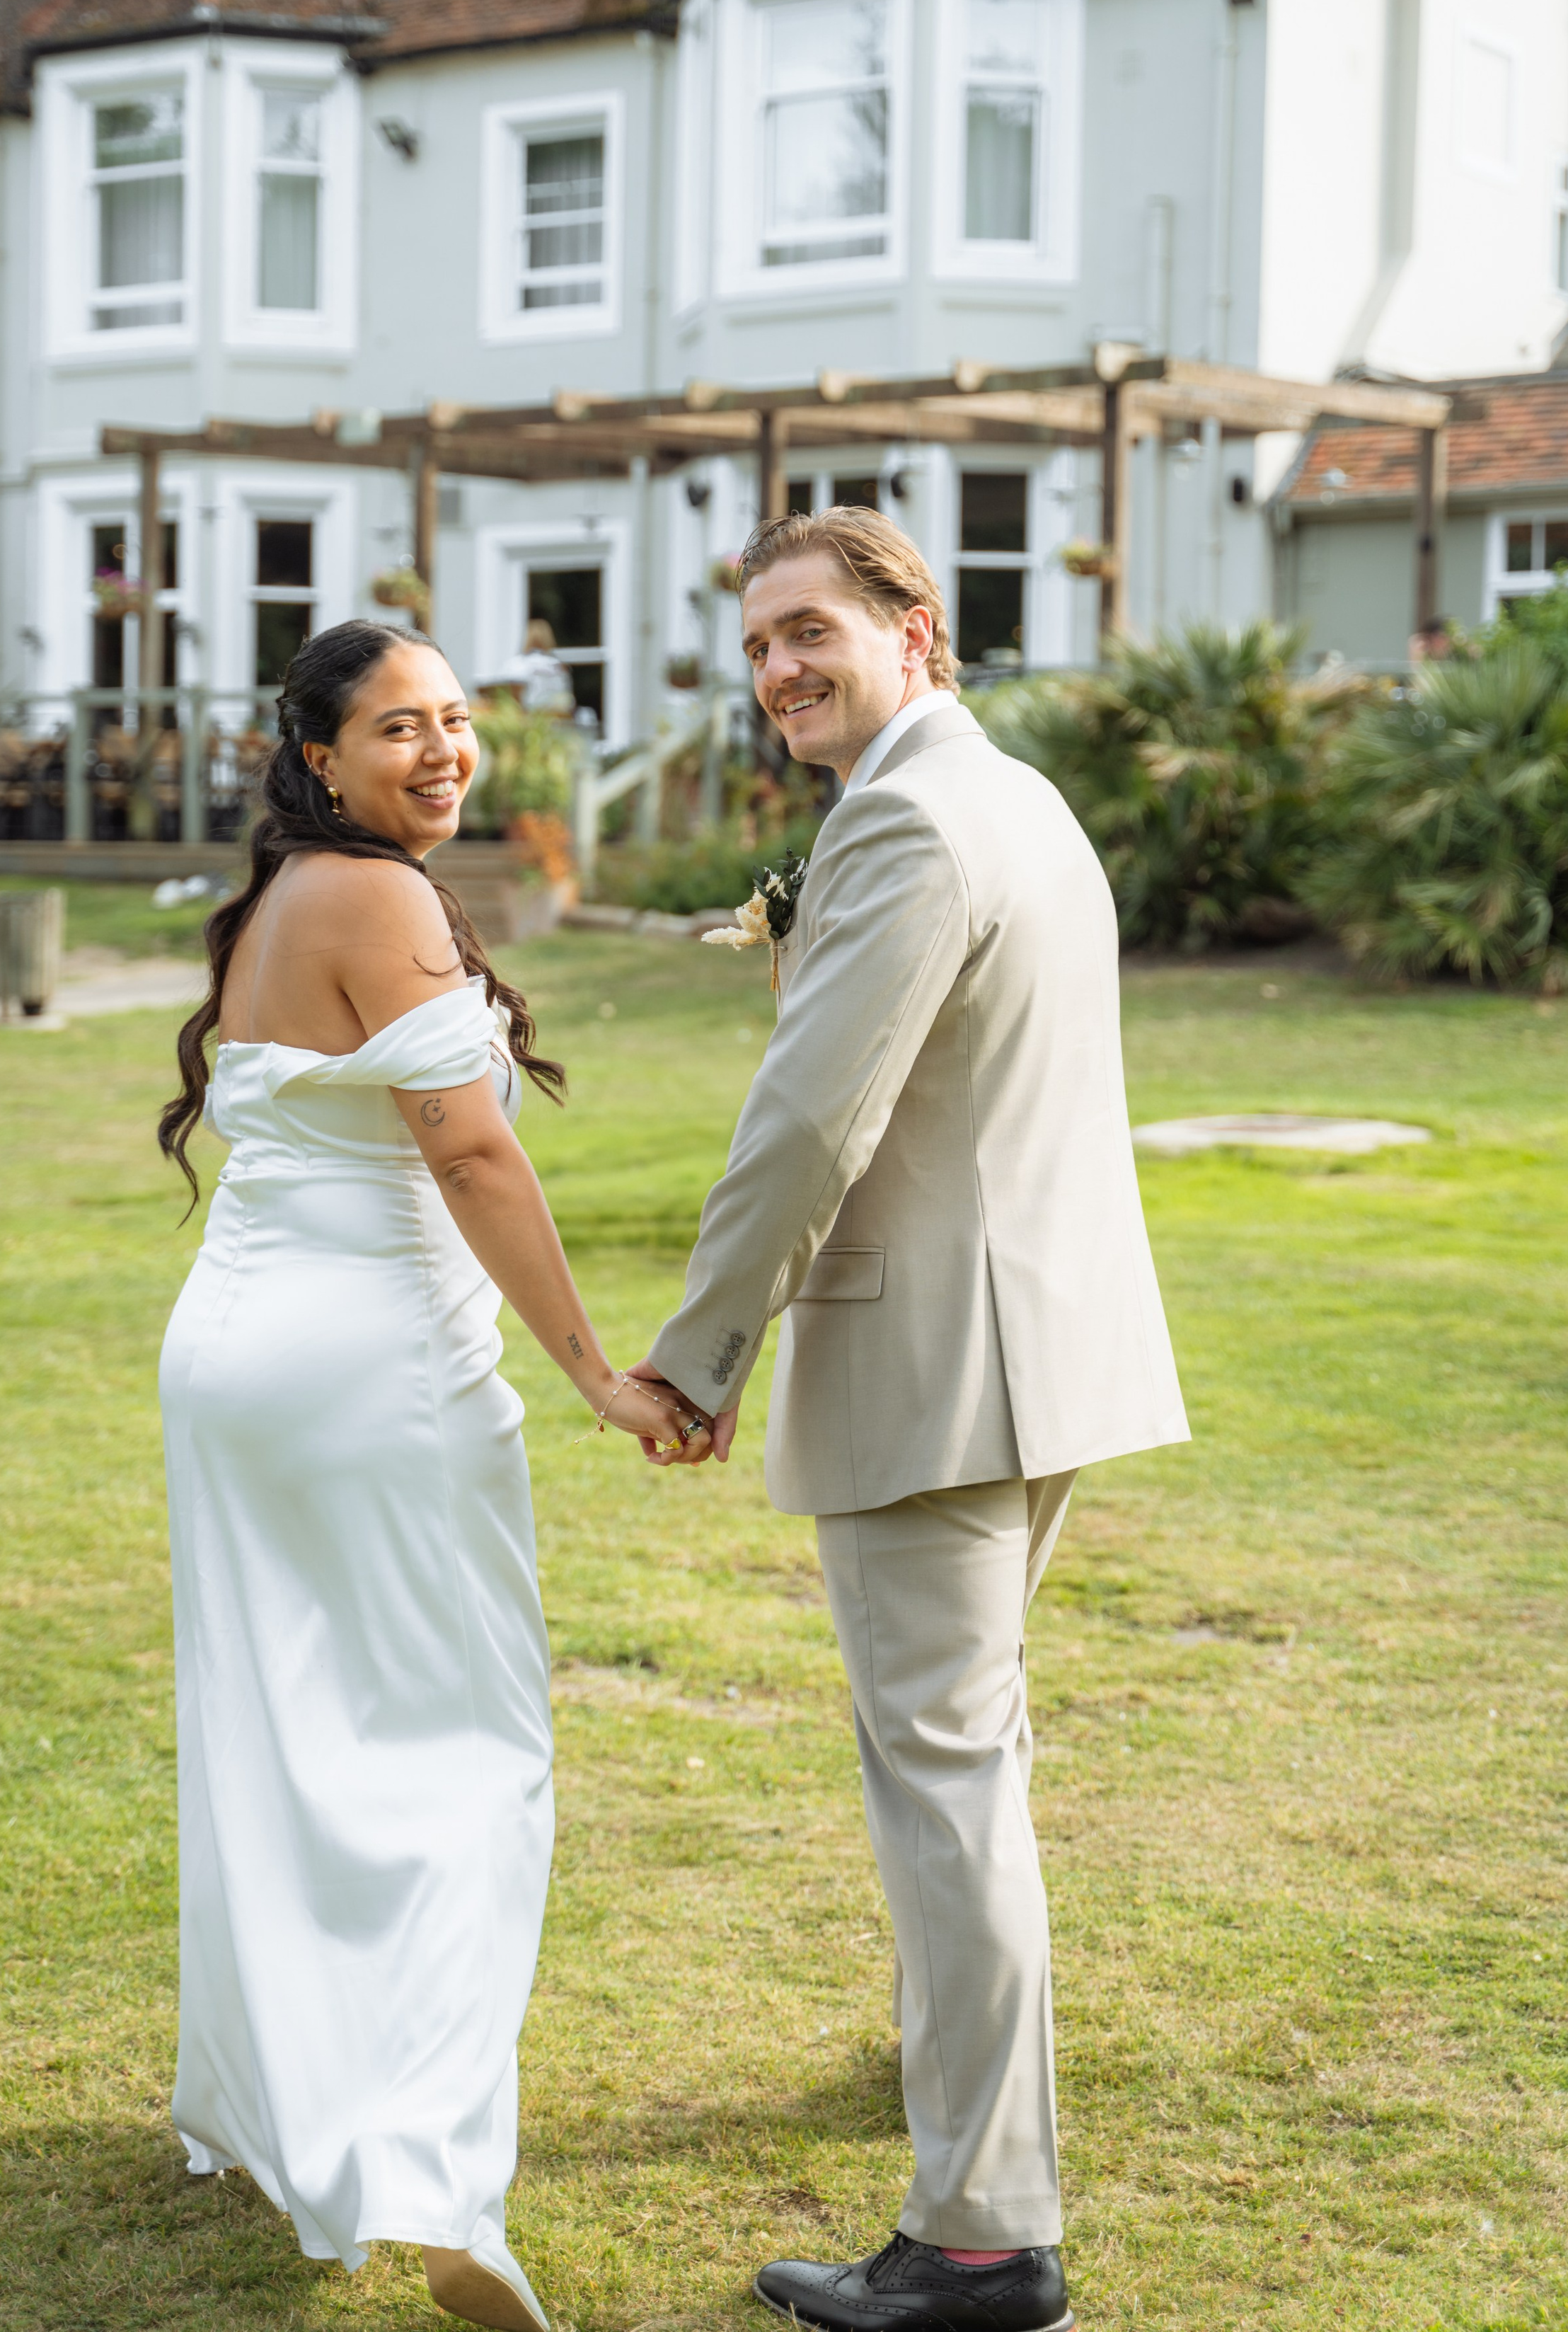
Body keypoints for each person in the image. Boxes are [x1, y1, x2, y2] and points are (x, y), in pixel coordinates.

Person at [633, 510, 1189, 2332]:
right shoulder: (1016, 798)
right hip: (1046, 1354)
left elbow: (811, 1121)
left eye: (808, 628)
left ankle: (977, 2236)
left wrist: (700, 1352)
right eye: (756, 645)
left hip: (940, 1373)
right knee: (975, 1769)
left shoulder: (901, 818)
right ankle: (964, 2103)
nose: (779, 666)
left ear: (911, 628)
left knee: (944, 1791)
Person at [156, 620, 702, 2331]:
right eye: (401, 727)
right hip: (367, 1374)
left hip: (237, 1362)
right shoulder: (375, 901)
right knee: (463, 1754)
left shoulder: (274, 905)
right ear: (320, 753)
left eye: (457, 721)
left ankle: (290, 2114)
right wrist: (595, 1374)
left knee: (284, 1740)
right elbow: (464, 1148)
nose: (442, 751)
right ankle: (428, 2173)